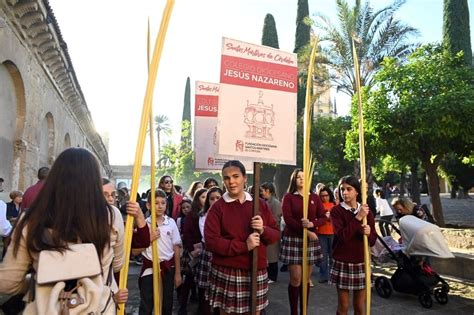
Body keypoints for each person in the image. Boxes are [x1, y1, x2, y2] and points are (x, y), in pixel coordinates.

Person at [0, 148, 124, 312]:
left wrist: (40, 278)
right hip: (97, 308)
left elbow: (8, 283)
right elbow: (117, 265)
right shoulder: (111, 216)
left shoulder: (32, 219)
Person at [204, 160, 279, 315]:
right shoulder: (217, 207)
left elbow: (275, 235)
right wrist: (244, 245)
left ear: (245, 178)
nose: (231, 181)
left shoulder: (260, 205)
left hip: (256, 268)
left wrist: (263, 229)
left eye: (236, 176)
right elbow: (212, 241)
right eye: (226, 178)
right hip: (228, 270)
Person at [279, 168, 325, 315]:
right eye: (298, 177)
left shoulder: (314, 197)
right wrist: (306, 231)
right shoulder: (288, 197)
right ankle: (294, 311)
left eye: (304, 177)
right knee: (296, 278)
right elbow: (288, 219)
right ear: (294, 179)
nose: (301, 180)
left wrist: (313, 224)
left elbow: (323, 217)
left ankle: (304, 310)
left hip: (310, 241)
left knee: (305, 279)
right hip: (293, 239)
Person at [329, 175, 377, 315]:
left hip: (361, 261)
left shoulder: (367, 211)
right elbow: (342, 236)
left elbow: (373, 240)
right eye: (342, 189)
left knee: (360, 306)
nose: (345, 192)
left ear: (357, 191)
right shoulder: (336, 211)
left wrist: (369, 233)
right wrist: (358, 218)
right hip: (343, 261)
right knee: (343, 305)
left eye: (349, 189)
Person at [139, 189, 182, 315]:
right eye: (156, 203)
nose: (160, 206)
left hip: (167, 268)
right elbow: (136, 250)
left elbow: (176, 248)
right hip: (149, 268)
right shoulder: (144, 224)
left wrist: (178, 273)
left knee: (167, 303)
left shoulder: (171, 223)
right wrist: (149, 238)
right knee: (146, 303)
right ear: (148, 205)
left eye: (163, 203)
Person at [179, 188, 207, 315]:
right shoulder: (192, 214)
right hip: (193, 252)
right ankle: (182, 307)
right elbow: (187, 233)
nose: (205, 199)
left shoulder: (212, 212)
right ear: (197, 199)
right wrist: (192, 250)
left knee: (203, 283)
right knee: (189, 280)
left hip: (206, 252)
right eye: (203, 197)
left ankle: (202, 308)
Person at [196, 186, 222, 315]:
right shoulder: (203, 216)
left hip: (222, 254)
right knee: (205, 289)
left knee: (219, 291)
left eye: (218, 198)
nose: (215, 201)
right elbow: (208, 237)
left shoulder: (228, 214)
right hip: (208, 253)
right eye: (212, 199)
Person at [260, 182, 282, 283]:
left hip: (272, 230)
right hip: (267, 230)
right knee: (269, 256)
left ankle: (273, 277)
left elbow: (276, 218)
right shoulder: (266, 201)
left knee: (272, 256)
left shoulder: (275, 203)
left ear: (267, 191)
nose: (261, 193)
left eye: (262, 191)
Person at [316, 185, 336, 283]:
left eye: (326, 195)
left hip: (332, 232)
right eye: (322, 196)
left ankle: (333, 275)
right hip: (321, 233)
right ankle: (323, 275)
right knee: (322, 256)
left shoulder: (334, 204)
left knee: (333, 255)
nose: (324, 197)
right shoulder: (318, 205)